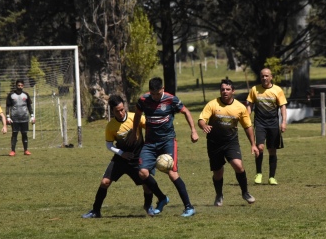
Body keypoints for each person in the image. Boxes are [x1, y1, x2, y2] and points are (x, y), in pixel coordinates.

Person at [130, 77, 199, 217]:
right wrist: (134, 132)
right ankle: (162, 198)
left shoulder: (171, 99)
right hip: (150, 143)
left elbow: (186, 111)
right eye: (153, 93)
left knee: (172, 174)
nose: (155, 96)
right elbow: (137, 115)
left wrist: (193, 130)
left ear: (162, 89)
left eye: (158, 93)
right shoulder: (143, 100)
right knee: (142, 173)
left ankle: (189, 207)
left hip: (167, 141)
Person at [82, 95, 155, 218]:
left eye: (122, 109)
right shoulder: (111, 126)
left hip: (138, 158)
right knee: (104, 182)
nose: (121, 113)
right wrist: (122, 153)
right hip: (121, 159)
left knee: (146, 184)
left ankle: (148, 206)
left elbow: (150, 128)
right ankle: (95, 210)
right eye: (117, 111)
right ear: (112, 111)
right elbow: (109, 145)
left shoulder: (134, 117)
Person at [198, 79, 259, 206]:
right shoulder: (212, 104)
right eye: (222, 89)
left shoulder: (240, 108)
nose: (225, 91)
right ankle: (219, 195)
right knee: (218, 173)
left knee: (238, 166)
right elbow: (201, 119)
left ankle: (245, 192)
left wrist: (253, 144)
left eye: (227, 89)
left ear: (233, 91)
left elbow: (248, 127)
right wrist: (204, 125)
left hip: (231, 142)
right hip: (214, 143)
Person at [246, 68, 287, 185]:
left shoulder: (277, 90)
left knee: (272, 150)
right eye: (262, 76)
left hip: (273, 124)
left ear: (271, 77)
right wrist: (246, 118)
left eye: (266, 76)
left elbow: (282, 106)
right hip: (260, 123)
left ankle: (271, 177)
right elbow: (250, 105)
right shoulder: (255, 90)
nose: (264, 78)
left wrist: (284, 122)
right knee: (260, 148)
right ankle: (258, 173)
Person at [6, 79, 35, 156]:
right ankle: (13, 151)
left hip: (24, 118)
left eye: (21, 85)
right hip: (14, 118)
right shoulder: (11, 95)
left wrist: (32, 115)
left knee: (24, 134)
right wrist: (8, 116)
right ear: (16, 86)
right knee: (14, 134)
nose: (20, 87)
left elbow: (29, 106)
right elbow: (8, 106)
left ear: (23, 86)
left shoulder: (26, 94)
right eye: (18, 85)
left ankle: (26, 150)